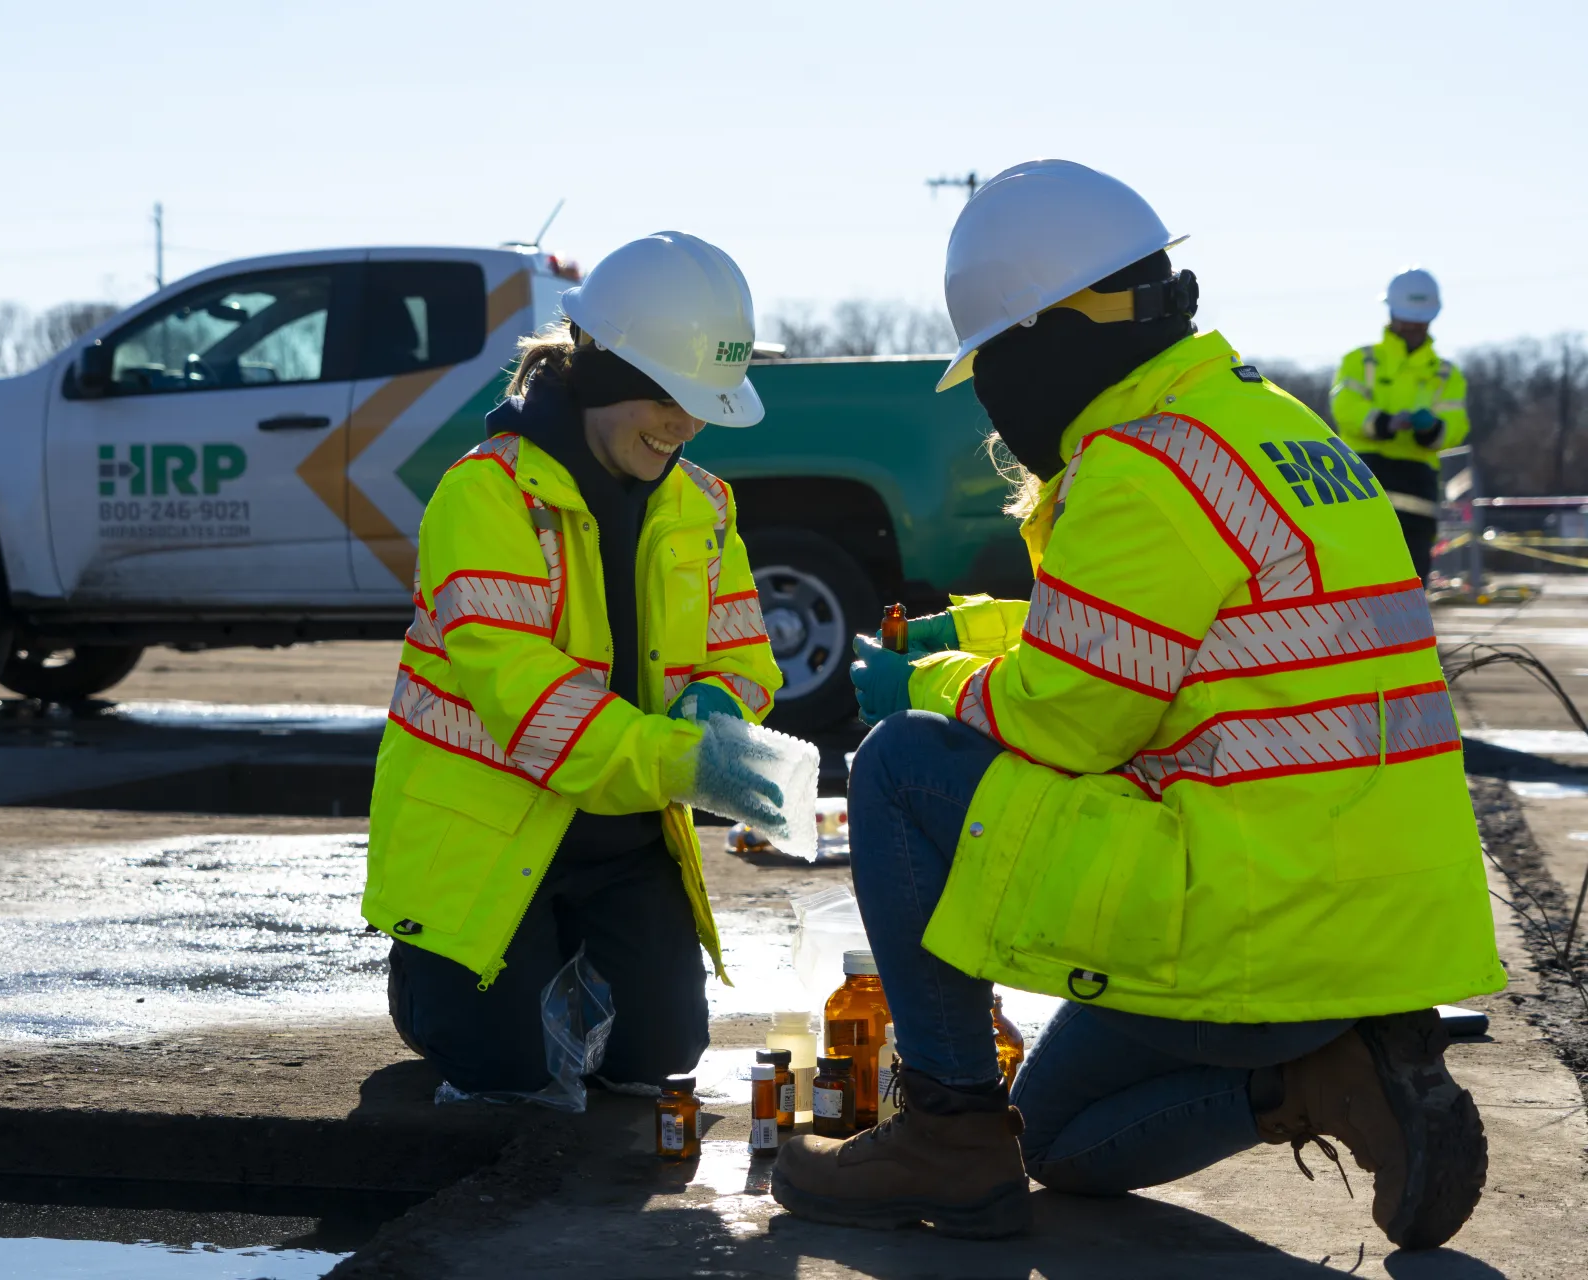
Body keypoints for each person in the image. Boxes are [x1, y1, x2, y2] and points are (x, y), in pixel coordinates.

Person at [771, 161, 1502, 1252]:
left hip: (1256, 912)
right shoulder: (1259, 423)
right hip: (1370, 921)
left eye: (995, 364)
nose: (994, 395)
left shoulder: (1144, 465)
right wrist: (965, 632)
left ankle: (948, 1128)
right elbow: (1162, 639)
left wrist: (913, 684)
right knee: (1058, 1143)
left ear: (1045, 337)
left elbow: (1072, 717)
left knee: (901, 764)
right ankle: (1318, 1077)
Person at [362, 232, 786, 1095]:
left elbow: (745, 658)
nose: (688, 423)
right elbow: (535, 707)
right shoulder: (484, 496)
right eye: (671, 396)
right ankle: (430, 987)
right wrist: (695, 762)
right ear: (604, 371)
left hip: (627, 837)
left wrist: (716, 704)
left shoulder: (702, 504)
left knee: (659, 1058)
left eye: (704, 401)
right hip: (487, 839)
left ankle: (568, 973)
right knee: (507, 1070)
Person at [1331, 269, 1470, 581]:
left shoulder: (1447, 374)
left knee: (1410, 577)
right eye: (1407, 319)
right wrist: (1384, 422)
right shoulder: (1360, 360)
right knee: (1354, 575)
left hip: (1416, 483)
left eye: (1418, 321)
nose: (1412, 327)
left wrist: (1430, 429)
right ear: (1391, 313)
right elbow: (1345, 408)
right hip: (1362, 473)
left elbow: (1456, 425)